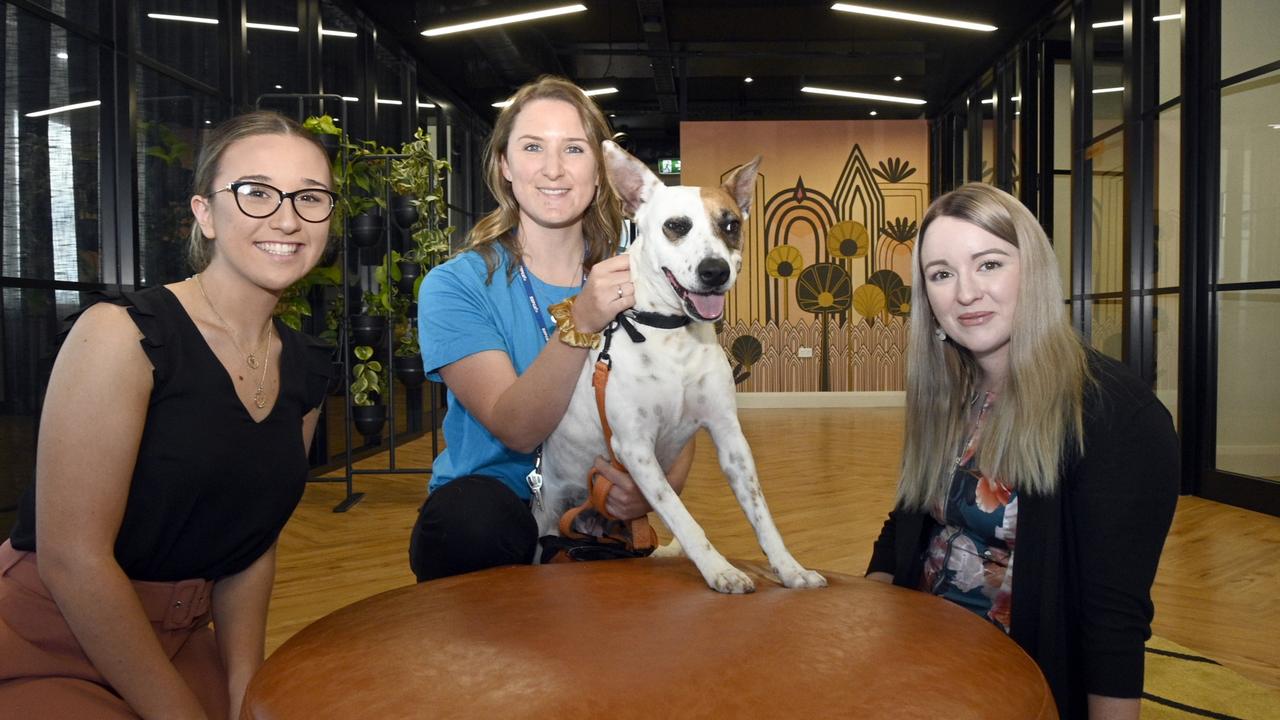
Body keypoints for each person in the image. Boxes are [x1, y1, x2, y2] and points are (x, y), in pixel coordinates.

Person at [0, 111, 336, 719]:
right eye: (255, 192)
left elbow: (250, 543)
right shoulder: (123, 335)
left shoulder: (307, 367)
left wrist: (244, 687)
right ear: (204, 212)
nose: (287, 218)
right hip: (46, 636)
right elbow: (72, 559)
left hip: (178, 640)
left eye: (310, 197)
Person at [865, 183, 1178, 720]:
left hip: (1013, 680)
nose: (965, 293)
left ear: (1032, 270)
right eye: (941, 274)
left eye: (988, 264)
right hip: (913, 655)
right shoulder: (951, 390)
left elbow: (1113, 623)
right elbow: (906, 524)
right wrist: (859, 622)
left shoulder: (1115, 417)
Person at [408, 75, 694, 582]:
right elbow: (516, 428)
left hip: (590, 505)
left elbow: (677, 406)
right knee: (471, 521)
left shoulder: (640, 277)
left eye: (575, 150)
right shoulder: (454, 286)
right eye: (533, 146)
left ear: (600, 171)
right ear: (505, 165)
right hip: (489, 513)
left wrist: (654, 488)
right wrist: (580, 321)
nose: (554, 169)